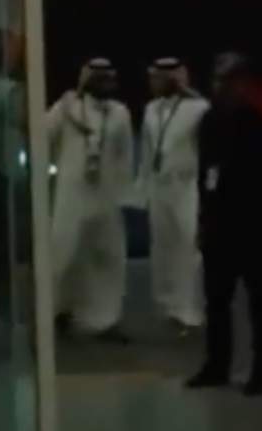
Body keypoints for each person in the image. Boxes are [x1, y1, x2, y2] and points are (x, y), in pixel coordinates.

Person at [186, 54, 262, 397]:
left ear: (243, 83)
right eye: (218, 79)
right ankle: (217, 365)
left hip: (252, 225)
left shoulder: (259, 125)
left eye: (229, 80)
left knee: (259, 300)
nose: (223, 86)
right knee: (217, 301)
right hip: (218, 225)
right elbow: (204, 174)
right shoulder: (210, 122)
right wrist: (202, 219)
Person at [46, 58, 135, 341]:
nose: (106, 83)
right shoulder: (66, 108)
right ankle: (58, 312)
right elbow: (44, 137)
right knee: (64, 254)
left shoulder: (120, 113)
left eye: (109, 77)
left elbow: (125, 155)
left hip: (106, 197)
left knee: (107, 258)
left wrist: (126, 194)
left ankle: (105, 321)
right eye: (99, 78)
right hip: (71, 195)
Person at [139, 57, 210, 335]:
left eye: (158, 78)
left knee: (187, 248)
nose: (152, 83)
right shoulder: (150, 109)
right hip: (159, 186)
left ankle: (190, 313)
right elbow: (146, 152)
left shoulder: (198, 108)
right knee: (163, 248)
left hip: (187, 186)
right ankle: (169, 307)